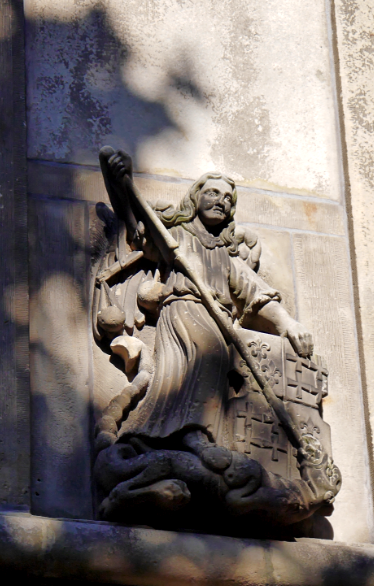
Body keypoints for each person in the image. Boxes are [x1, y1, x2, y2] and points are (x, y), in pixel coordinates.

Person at [99, 149, 315, 462]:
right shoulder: (174, 235)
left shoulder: (224, 253)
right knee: (206, 355)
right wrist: (120, 180)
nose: (221, 200)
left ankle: (169, 432)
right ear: (196, 197)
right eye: (213, 192)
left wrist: (287, 324)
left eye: (228, 198)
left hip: (220, 318)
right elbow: (134, 227)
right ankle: (192, 435)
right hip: (185, 308)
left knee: (214, 370)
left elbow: (255, 292)